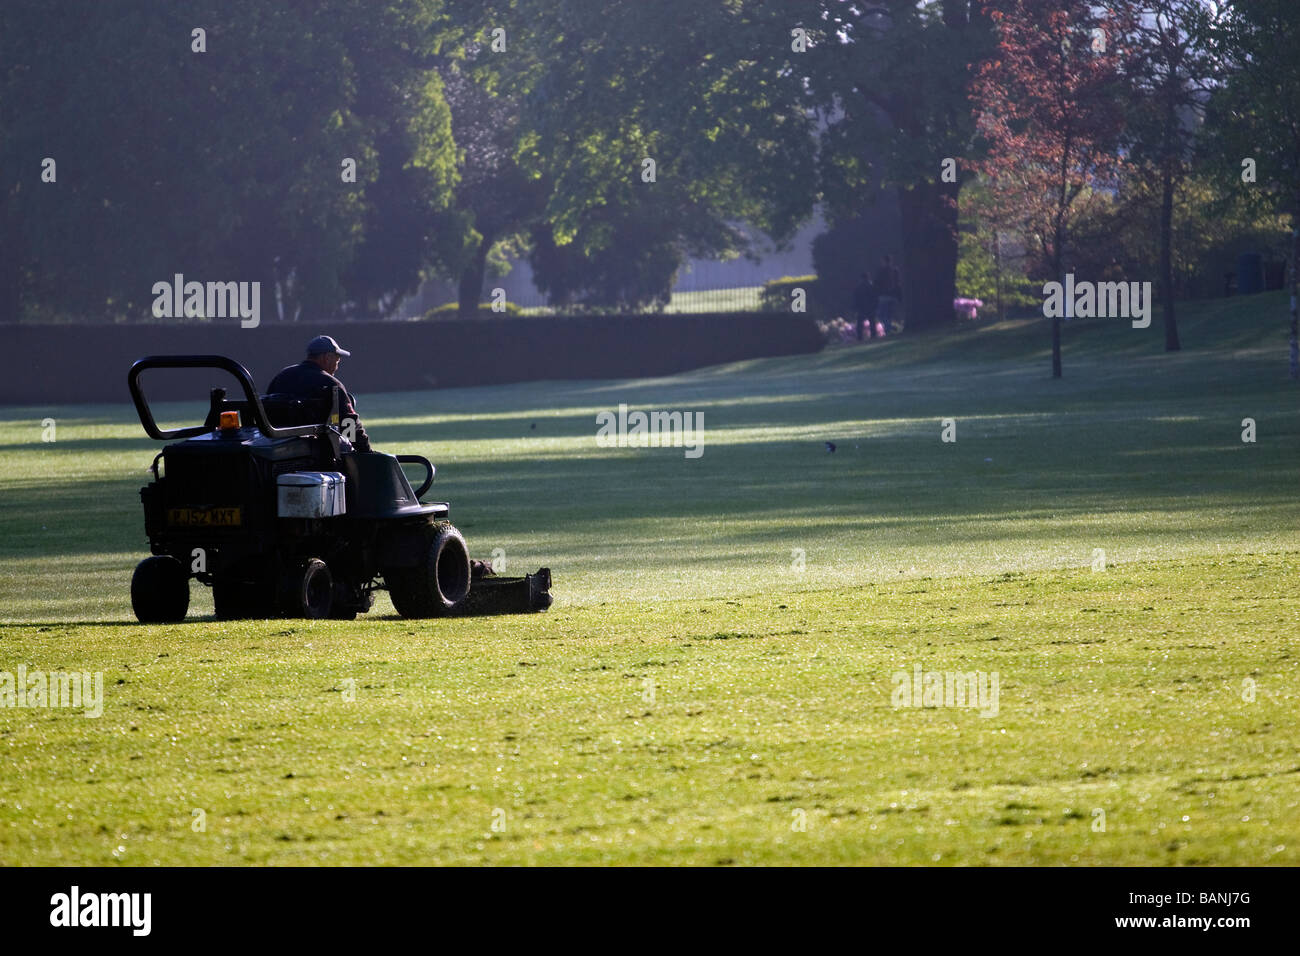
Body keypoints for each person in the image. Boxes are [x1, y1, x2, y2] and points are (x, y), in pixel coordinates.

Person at [266, 334, 372, 453]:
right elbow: (350, 427)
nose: (336, 367)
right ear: (327, 358)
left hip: (277, 444)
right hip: (320, 451)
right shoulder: (331, 384)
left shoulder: (282, 376)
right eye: (337, 361)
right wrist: (367, 452)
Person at [874, 254, 902, 332]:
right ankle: (891, 327)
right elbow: (898, 283)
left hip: (884, 295)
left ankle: (888, 328)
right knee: (889, 314)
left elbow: (877, 283)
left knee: (881, 314)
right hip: (893, 295)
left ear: (884, 261)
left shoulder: (881, 271)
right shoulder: (895, 270)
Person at [851, 272, 878, 341]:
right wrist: (875, 306)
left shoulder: (858, 287)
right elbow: (875, 297)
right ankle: (873, 335)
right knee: (872, 322)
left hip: (861, 307)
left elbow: (855, 298)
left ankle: (860, 337)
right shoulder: (871, 286)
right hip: (870, 307)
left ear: (861, 278)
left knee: (860, 324)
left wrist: (855, 307)